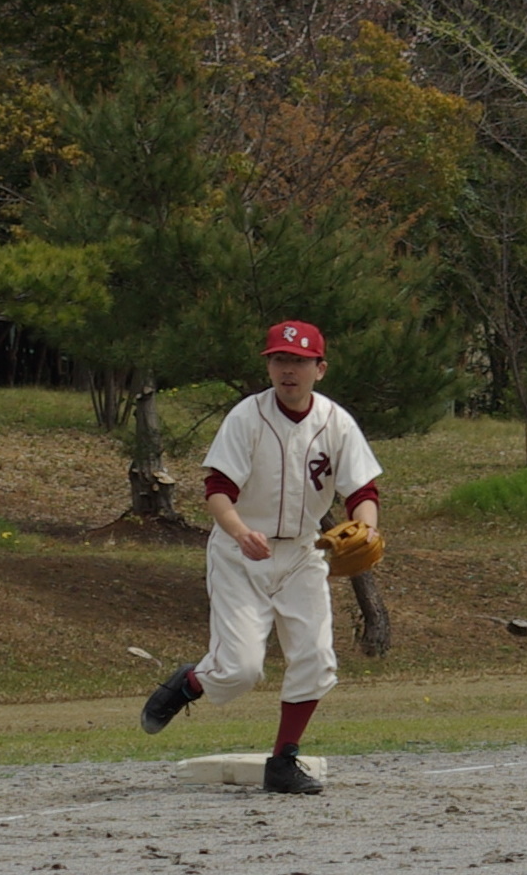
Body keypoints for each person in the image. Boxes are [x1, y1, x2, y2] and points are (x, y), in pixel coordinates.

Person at [139, 320, 382, 794]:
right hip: (240, 554)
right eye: (279, 360)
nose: (288, 370)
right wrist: (239, 531)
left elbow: (362, 490)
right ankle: (189, 683)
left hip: (303, 554)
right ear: (269, 367)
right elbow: (217, 489)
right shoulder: (247, 417)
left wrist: (367, 526)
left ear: (320, 369)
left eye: (299, 361)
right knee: (240, 670)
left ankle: (283, 762)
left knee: (316, 658)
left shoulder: (336, 422)